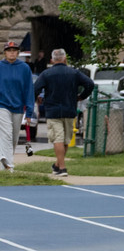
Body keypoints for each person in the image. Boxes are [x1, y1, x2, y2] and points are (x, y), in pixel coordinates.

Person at [33, 49, 94, 177]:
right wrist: (81, 96)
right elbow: (89, 84)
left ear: (52, 60)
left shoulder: (46, 74)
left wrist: (37, 98)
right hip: (69, 109)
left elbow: (35, 89)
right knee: (65, 140)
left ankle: (61, 168)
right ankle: (58, 165)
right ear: (65, 59)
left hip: (53, 110)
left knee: (57, 139)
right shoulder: (74, 73)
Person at [0, 41, 33, 172]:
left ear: (18, 53)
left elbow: (29, 89)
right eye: (9, 50)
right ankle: (10, 167)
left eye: (14, 50)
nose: (12, 52)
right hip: (2, 105)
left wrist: (29, 111)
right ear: (5, 52)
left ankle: (4, 164)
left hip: (18, 107)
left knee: (13, 138)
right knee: (6, 134)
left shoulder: (24, 68)